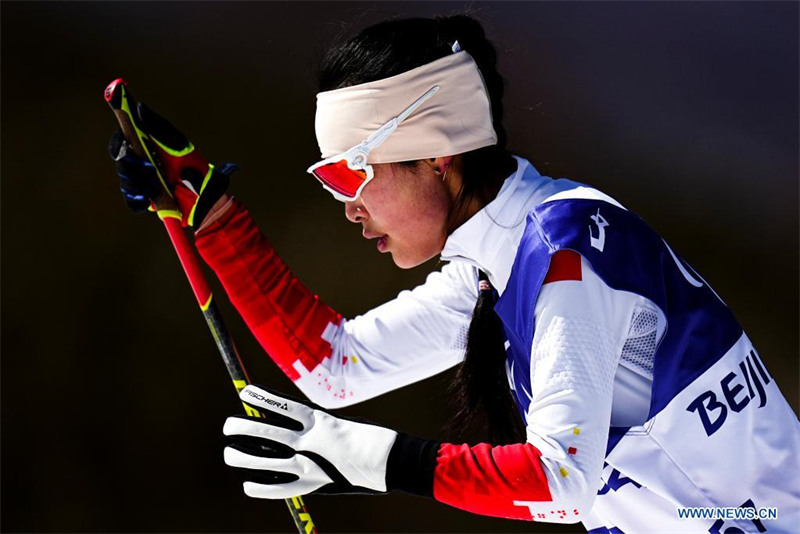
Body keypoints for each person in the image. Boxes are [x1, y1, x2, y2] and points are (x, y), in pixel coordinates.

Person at [110, 15, 799, 533]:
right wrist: (211, 213)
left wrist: (373, 460)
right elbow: (332, 367)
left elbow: (560, 481)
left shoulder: (563, 252)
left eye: (353, 171)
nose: (348, 204)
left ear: (437, 154)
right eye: (327, 180)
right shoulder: (492, 270)